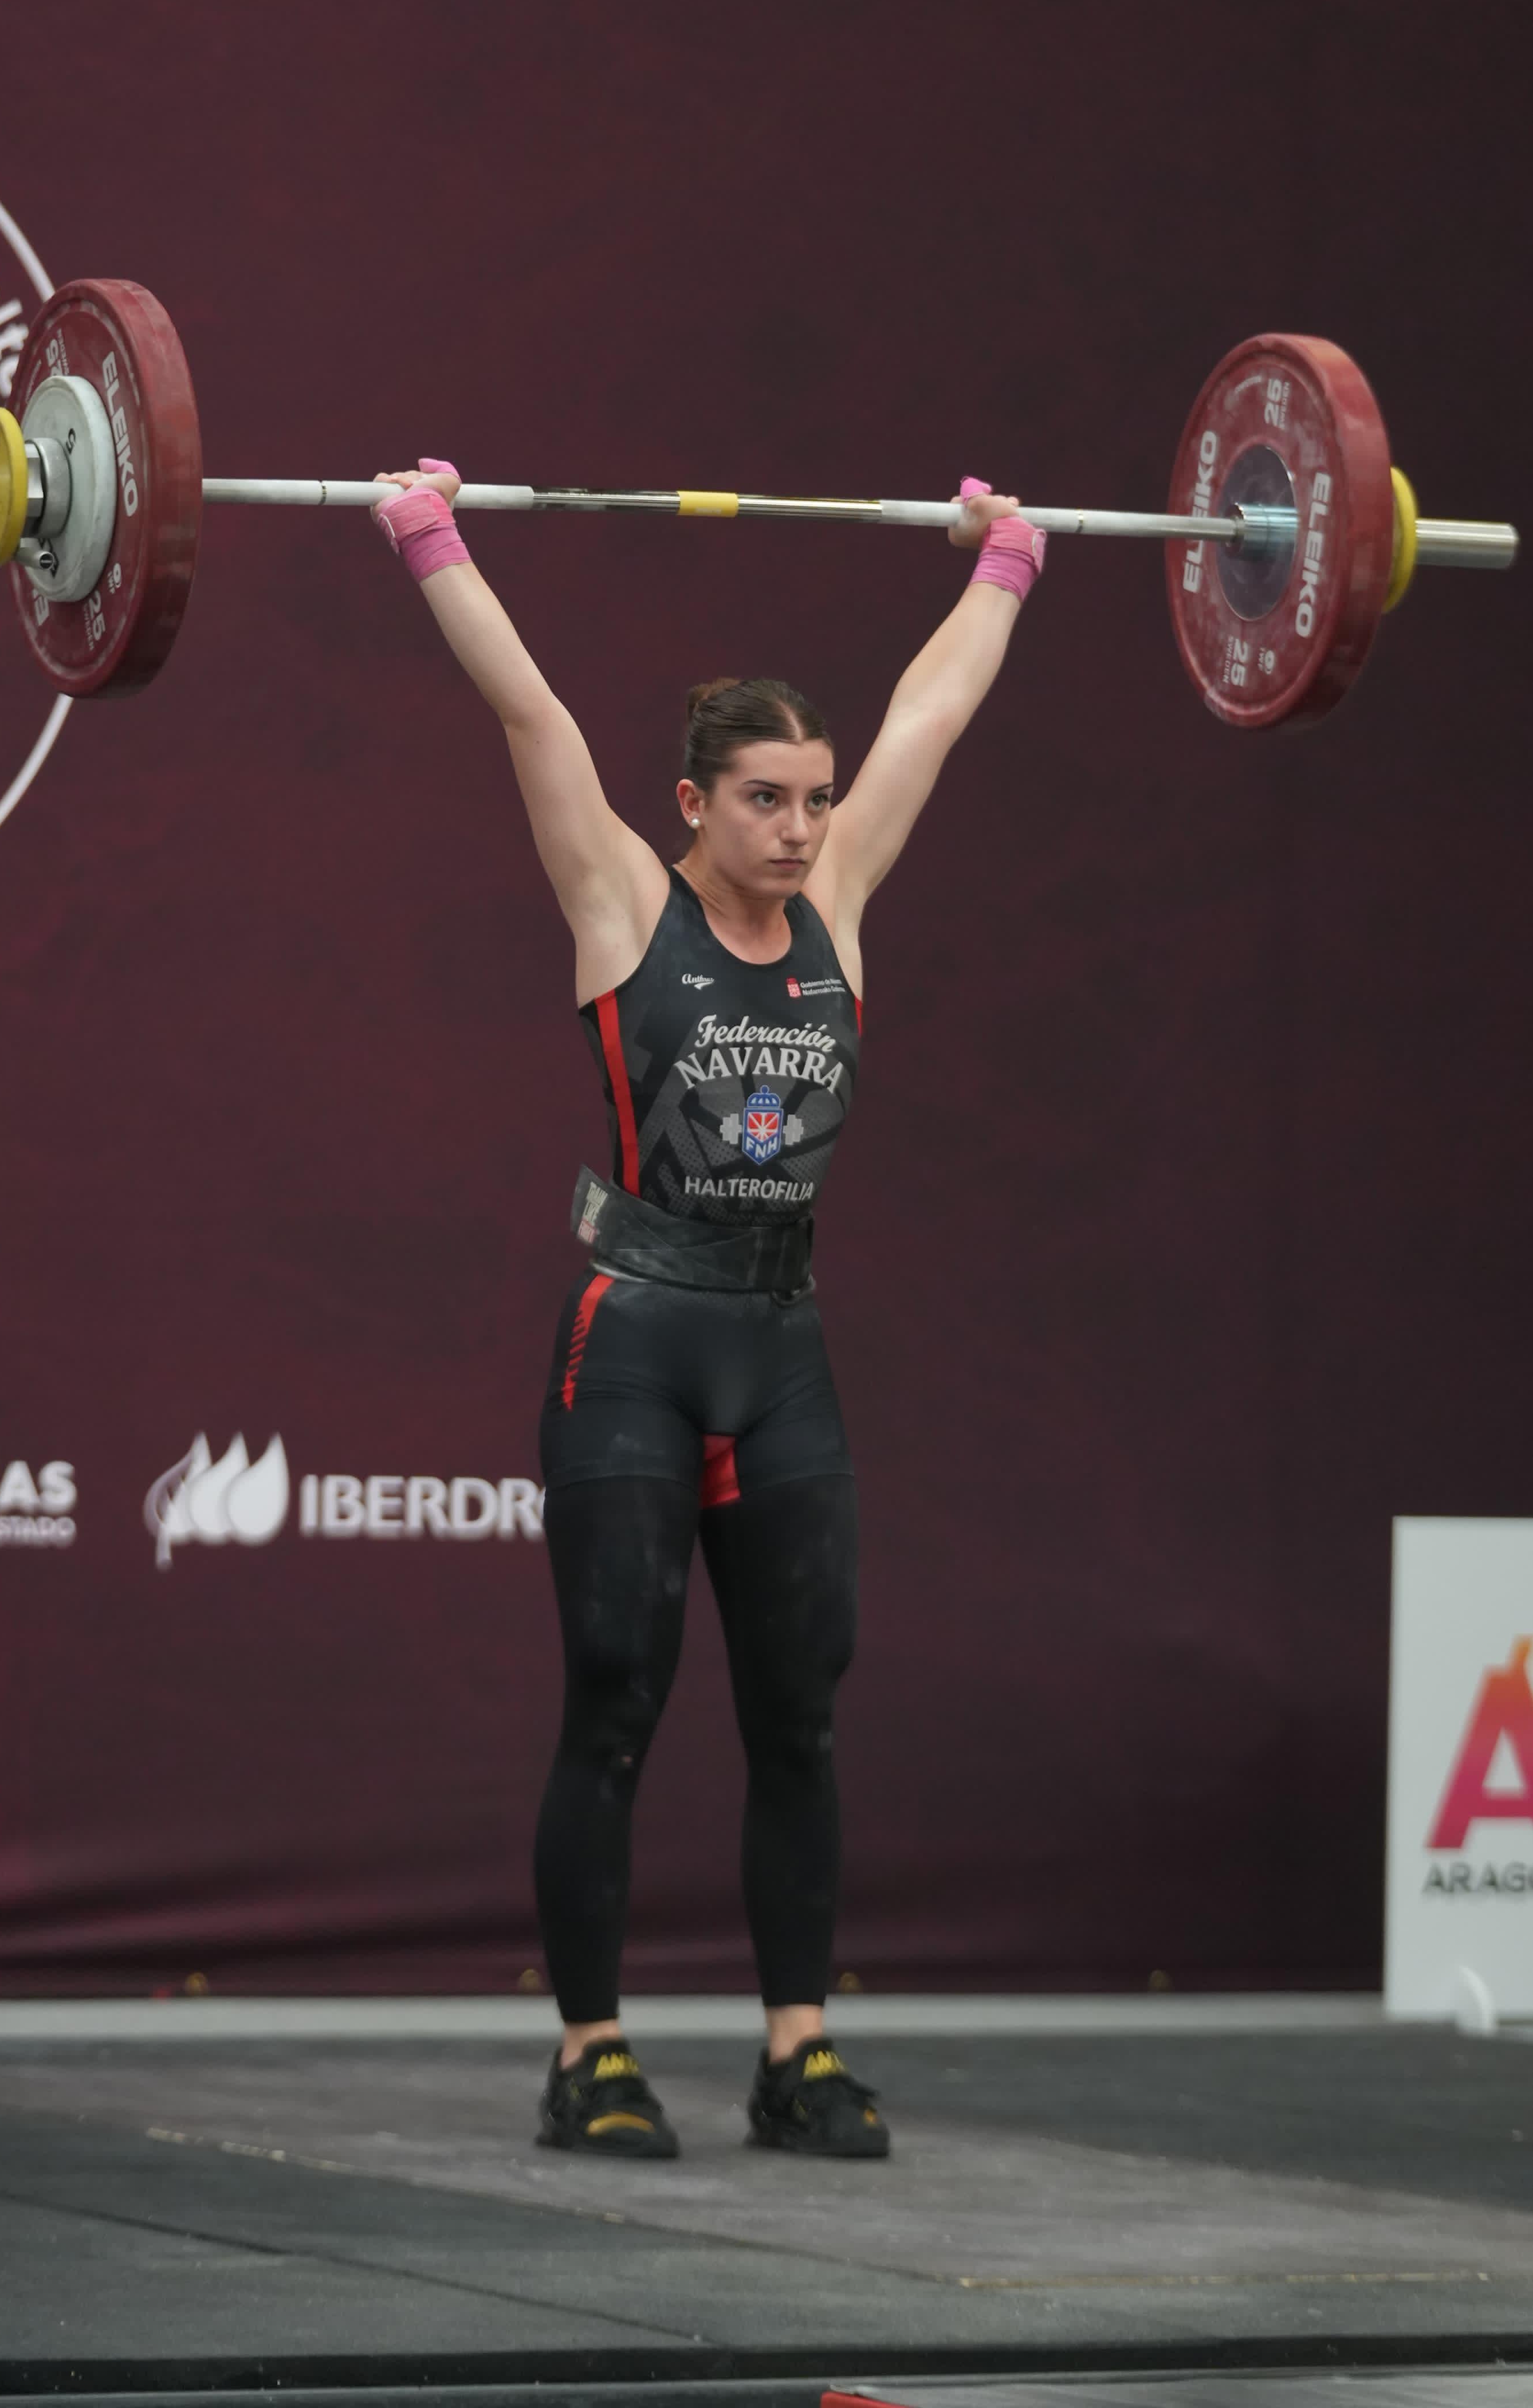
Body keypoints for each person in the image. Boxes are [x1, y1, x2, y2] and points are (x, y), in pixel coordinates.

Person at [371, 456, 1045, 2160]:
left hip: (780, 1343)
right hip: (638, 1341)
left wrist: (1009, 561)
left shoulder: (838, 912)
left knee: (800, 1704)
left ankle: (795, 2052)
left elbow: (933, 716)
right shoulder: (622, 903)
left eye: (813, 797)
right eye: (765, 798)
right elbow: (527, 712)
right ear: (692, 803)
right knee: (614, 1689)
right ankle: (589, 2052)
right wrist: (426, 532)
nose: (804, 825)